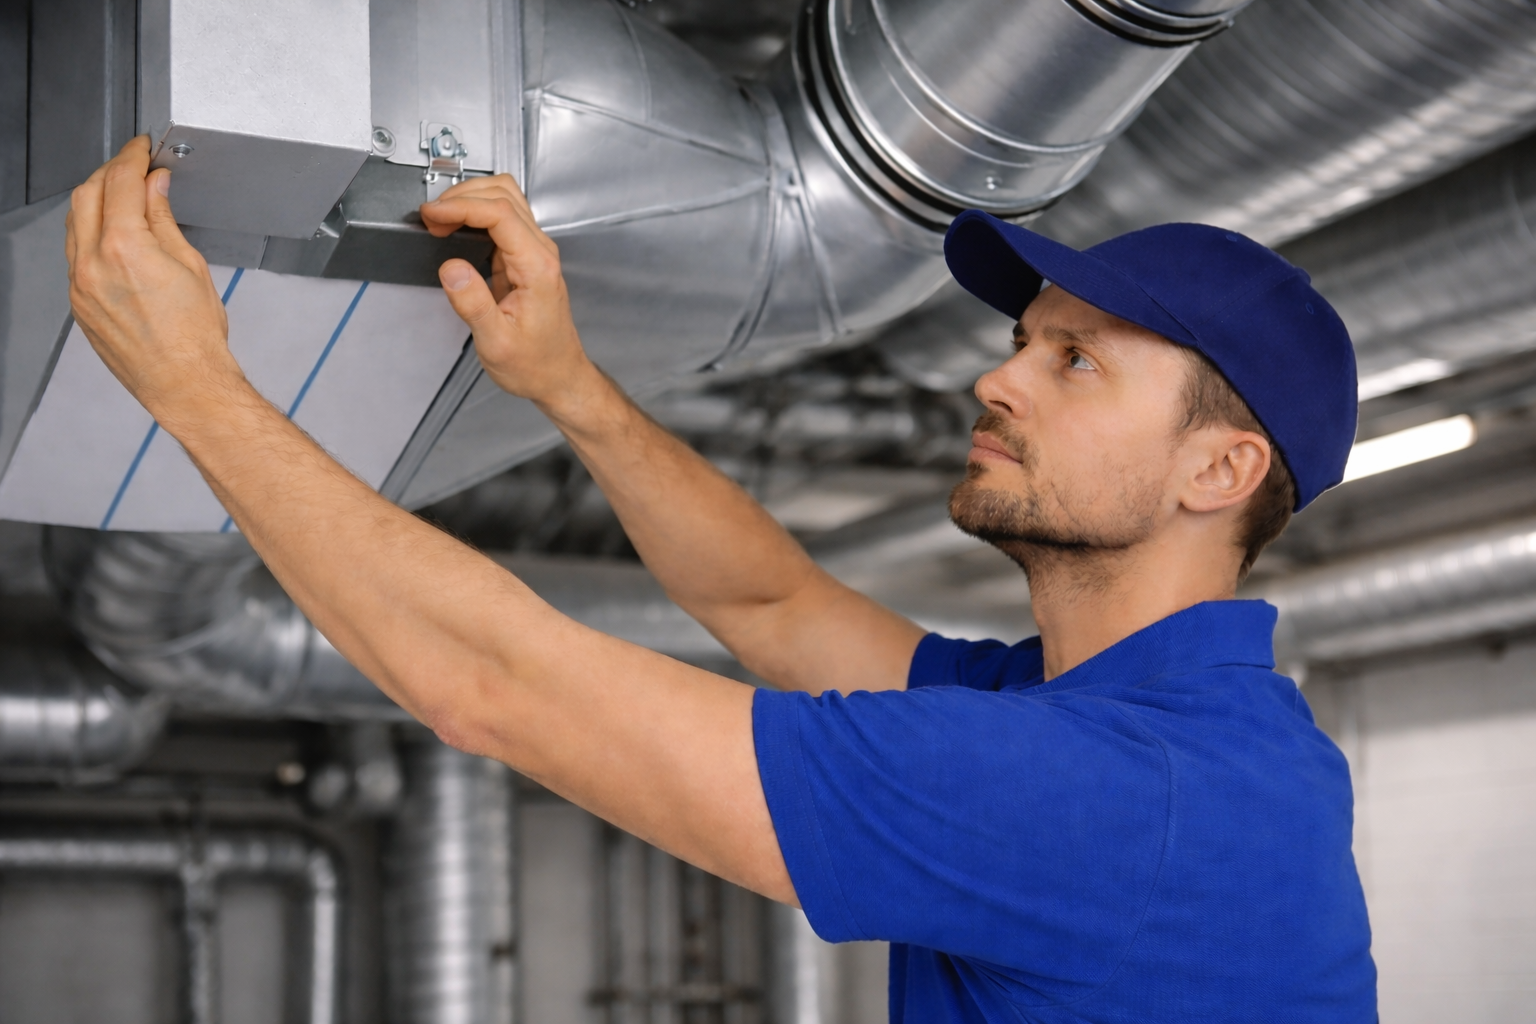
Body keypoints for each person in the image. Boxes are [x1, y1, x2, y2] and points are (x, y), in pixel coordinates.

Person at [66, 138, 1376, 1022]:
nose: (997, 376)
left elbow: (493, 688)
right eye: (1026, 341)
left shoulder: (1117, 794)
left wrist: (195, 387)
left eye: (1076, 361)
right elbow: (772, 604)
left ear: (1221, 469)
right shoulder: (1133, 719)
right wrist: (568, 385)